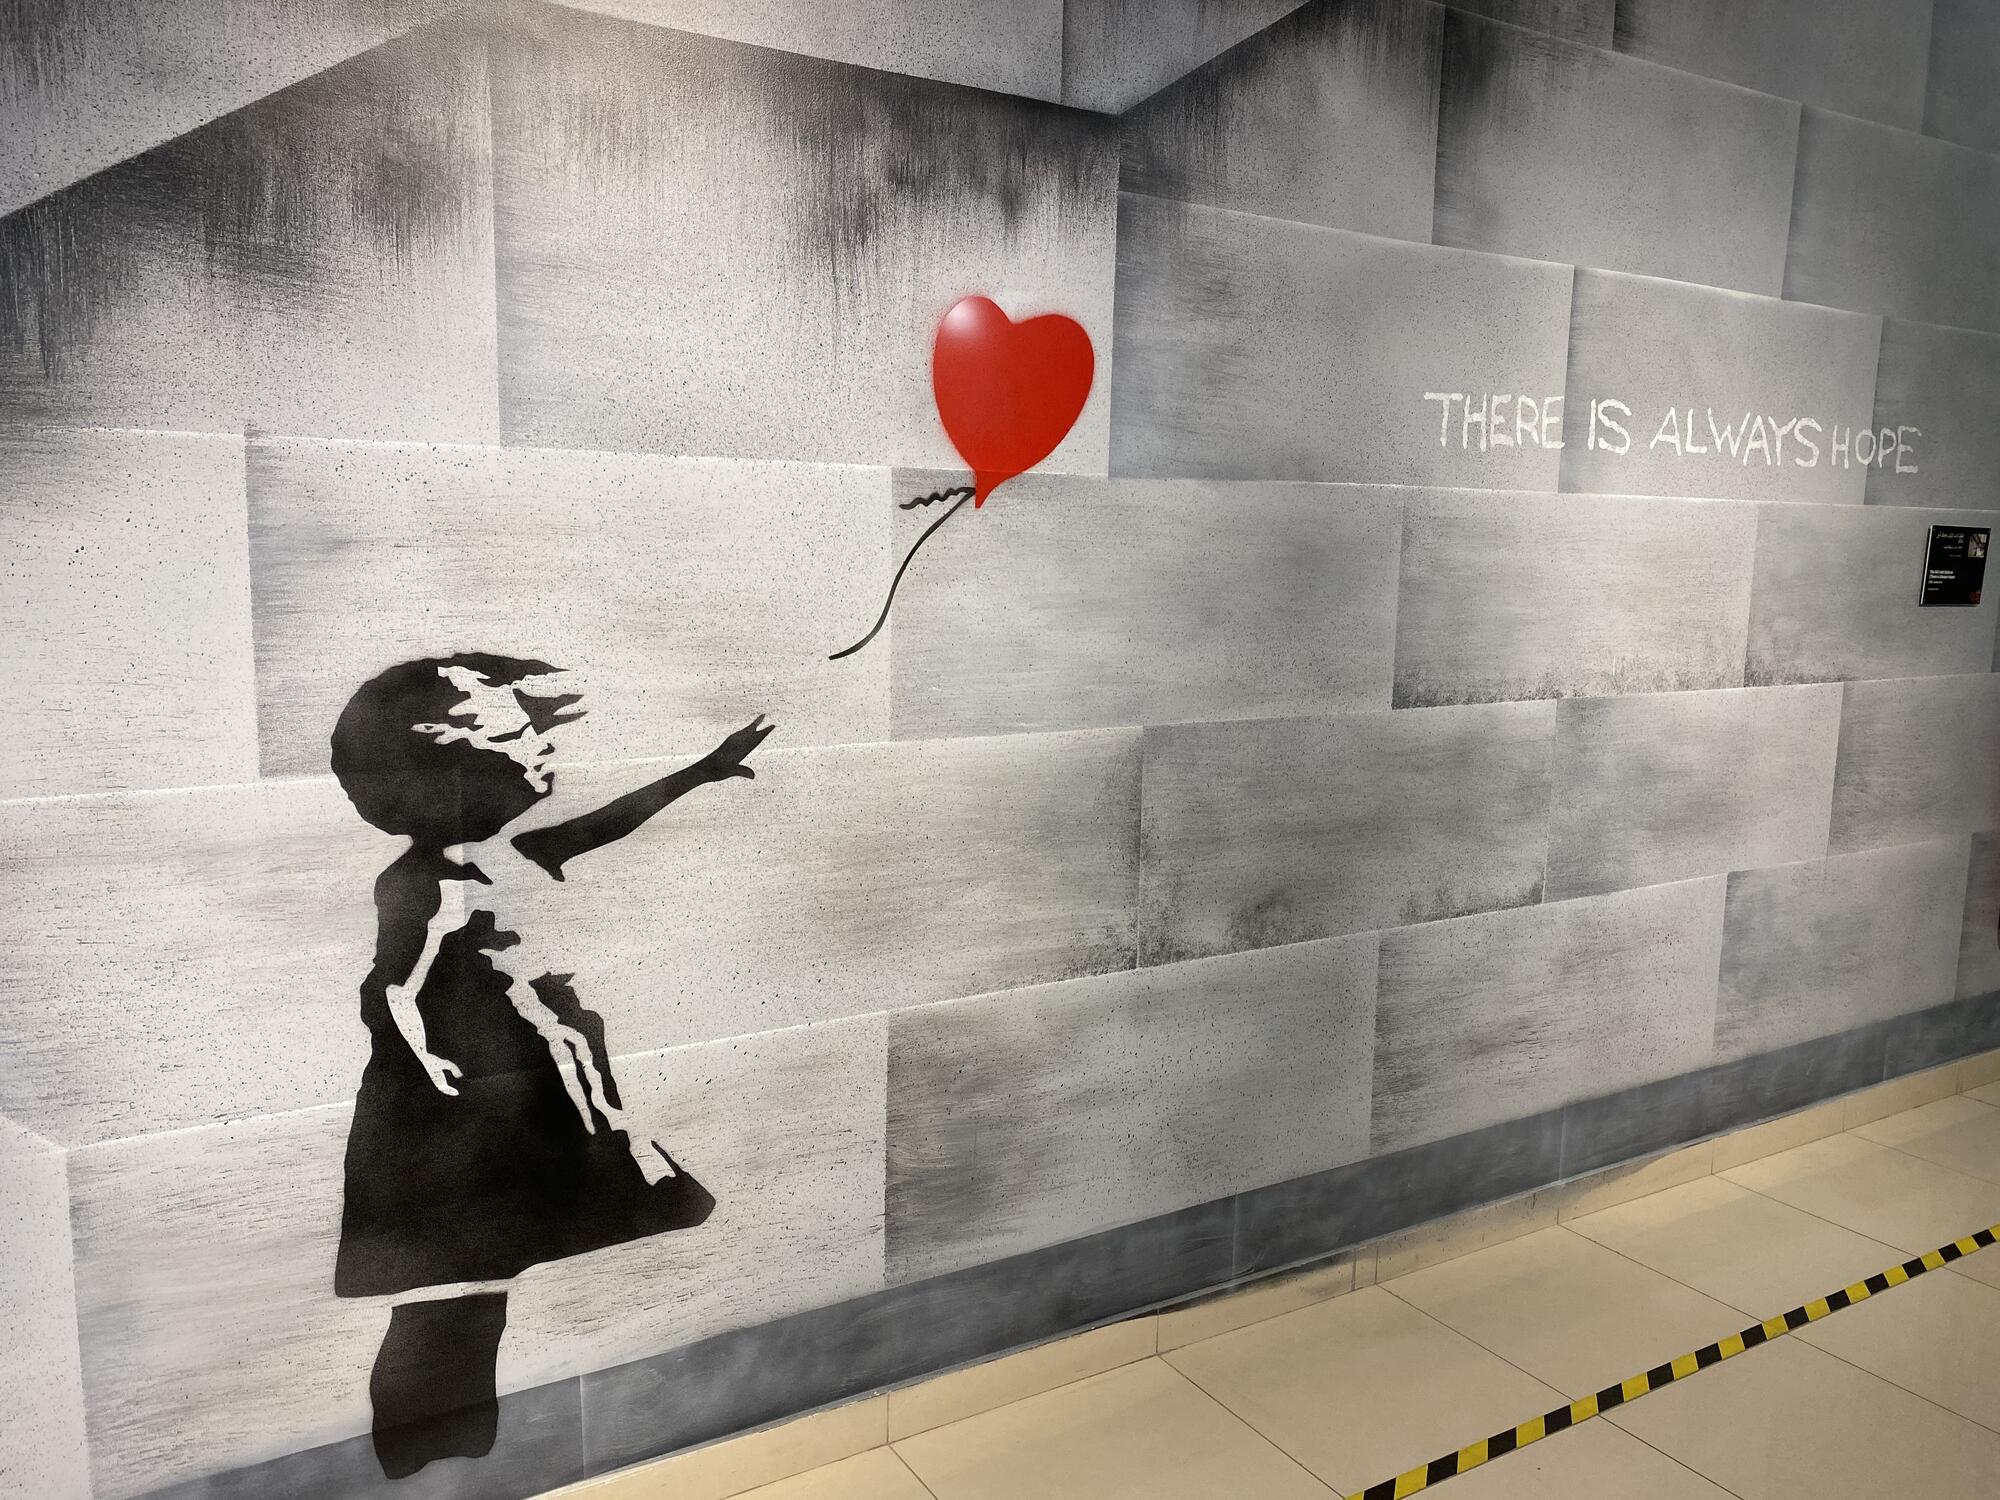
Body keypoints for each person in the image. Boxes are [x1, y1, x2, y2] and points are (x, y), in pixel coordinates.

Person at [328, 652, 772, 1477]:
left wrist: (702, 771)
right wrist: (428, 1059)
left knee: (477, 1286)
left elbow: (601, 825)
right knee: (450, 1293)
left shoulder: (498, 859)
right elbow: (390, 987)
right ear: (452, 768)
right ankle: (423, 1451)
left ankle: (451, 1447)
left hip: (512, 1098)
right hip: (451, 1115)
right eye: (517, 735)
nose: (542, 746)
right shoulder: (420, 882)